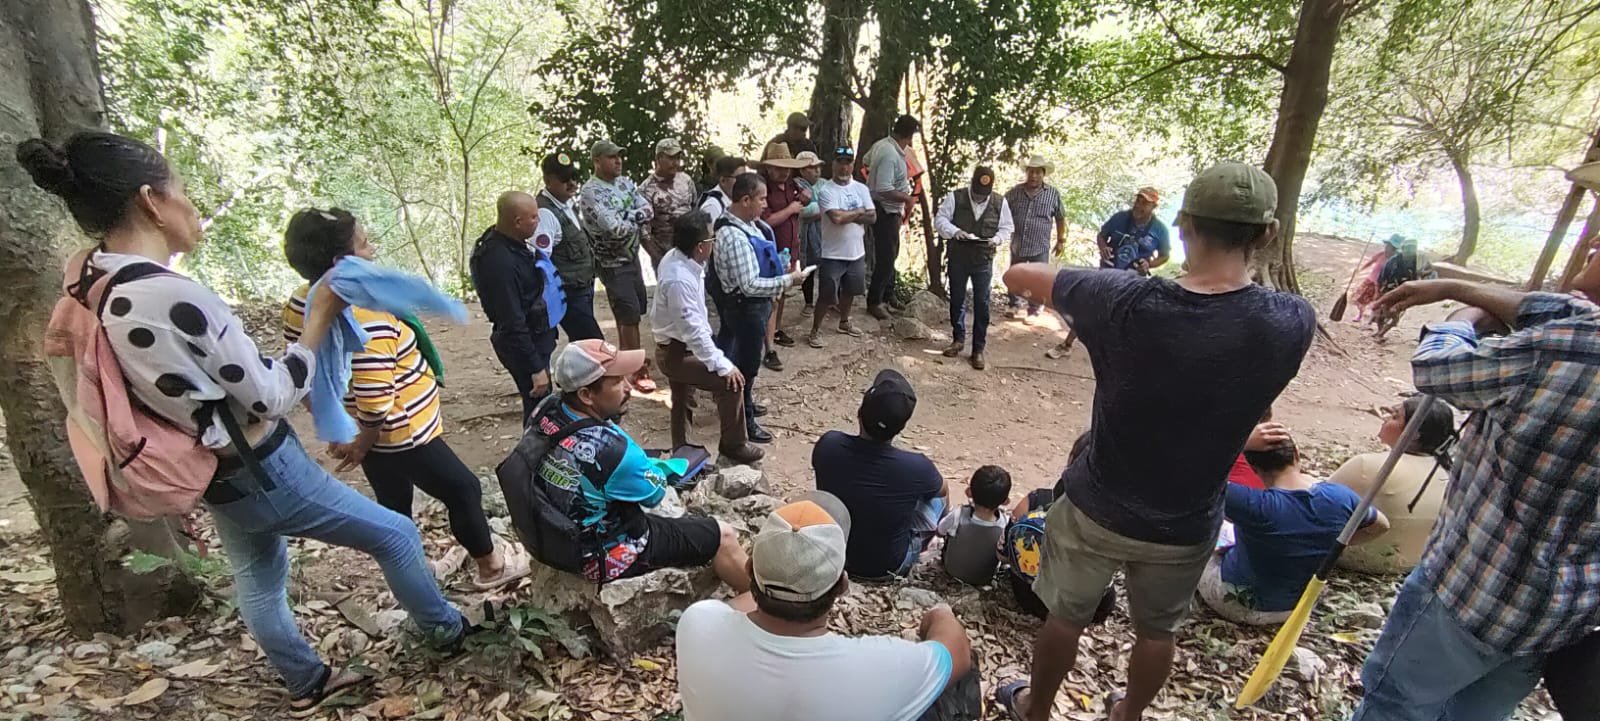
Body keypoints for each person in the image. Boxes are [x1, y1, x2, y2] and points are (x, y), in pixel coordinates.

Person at [18, 131, 469, 716]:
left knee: (258, 573)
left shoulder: (90, 280)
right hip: (262, 466)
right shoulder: (171, 297)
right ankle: (447, 631)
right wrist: (318, 321)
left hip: (204, 463)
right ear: (152, 201)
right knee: (396, 535)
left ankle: (306, 681)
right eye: (182, 191)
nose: (192, 207)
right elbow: (269, 395)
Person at [994, 162, 1316, 721]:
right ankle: (1129, 714)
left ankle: (1035, 707)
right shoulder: (1291, 320)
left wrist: (1086, 285)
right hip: (1187, 520)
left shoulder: (1123, 299)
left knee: (1064, 618)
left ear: (1183, 224)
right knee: (1156, 632)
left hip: (1097, 506)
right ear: (1267, 233)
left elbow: (1018, 274)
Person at [1347, 270, 1600, 721]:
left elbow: (1437, 370)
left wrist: (1462, 318)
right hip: (1561, 613)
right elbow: (1569, 311)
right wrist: (1456, 287)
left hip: (1472, 591)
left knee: (1394, 707)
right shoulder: (1573, 331)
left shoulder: (1568, 347)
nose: (1595, 241)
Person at [282, 208, 527, 591]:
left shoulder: (301, 302)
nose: (373, 251)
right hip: (399, 431)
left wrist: (337, 427)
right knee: (463, 489)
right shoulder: (365, 316)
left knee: (394, 502)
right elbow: (376, 397)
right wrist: (361, 443)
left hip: (363, 429)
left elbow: (303, 369)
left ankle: (414, 574)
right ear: (342, 264)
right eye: (365, 244)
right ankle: (491, 566)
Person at [675, 492, 977, 721]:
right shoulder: (880, 666)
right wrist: (939, 614)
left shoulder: (698, 623)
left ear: (750, 568)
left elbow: (739, 608)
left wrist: (775, 580)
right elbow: (958, 653)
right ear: (842, 585)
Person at [529, 340, 752, 587]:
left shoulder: (546, 409)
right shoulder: (615, 451)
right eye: (617, 382)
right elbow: (654, 495)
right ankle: (760, 602)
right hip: (600, 555)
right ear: (586, 395)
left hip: (553, 535)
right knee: (723, 535)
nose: (628, 388)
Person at [1197, 435, 1389, 626]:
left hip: (1236, 603)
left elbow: (1193, 476)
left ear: (1254, 469)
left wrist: (1242, 442)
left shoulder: (1252, 502)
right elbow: (1381, 525)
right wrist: (1336, 543)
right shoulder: (1341, 497)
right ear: (1297, 456)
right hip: (1296, 608)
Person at [649, 211, 763, 465]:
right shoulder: (678, 279)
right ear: (700, 246)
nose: (715, 243)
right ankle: (734, 445)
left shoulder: (680, 259)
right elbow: (693, 330)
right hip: (676, 350)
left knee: (682, 398)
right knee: (730, 382)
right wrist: (723, 365)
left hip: (678, 345)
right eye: (712, 239)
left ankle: (682, 450)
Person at [813, 369, 948, 579]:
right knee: (938, 497)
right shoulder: (917, 467)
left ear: (859, 414)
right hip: (887, 567)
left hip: (833, 555)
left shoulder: (828, 444)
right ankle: (939, 542)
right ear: (900, 428)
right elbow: (942, 490)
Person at [710, 173, 809, 444]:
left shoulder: (748, 224)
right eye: (762, 199)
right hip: (745, 308)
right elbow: (749, 285)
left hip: (751, 307)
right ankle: (744, 422)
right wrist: (789, 280)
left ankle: (746, 406)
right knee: (745, 366)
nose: (766, 204)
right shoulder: (734, 235)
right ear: (745, 200)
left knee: (744, 361)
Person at [1328, 396, 1457, 575]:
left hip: (1350, 556)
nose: (1385, 418)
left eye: (1395, 416)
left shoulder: (1369, 465)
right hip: (1410, 564)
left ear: (1414, 433)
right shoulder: (1448, 472)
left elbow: (1316, 500)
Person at [471, 191, 565, 424]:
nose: (538, 221)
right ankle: (532, 448)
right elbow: (511, 320)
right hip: (523, 345)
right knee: (539, 413)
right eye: (533, 217)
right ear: (517, 221)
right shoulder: (499, 262)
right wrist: (535, 368)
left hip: (537, 336)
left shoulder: (512, 242)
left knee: (543, 408)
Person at [1004, 433, 1116, 623]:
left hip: (1032, 600)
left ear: (1071, 460)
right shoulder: (1114, 516)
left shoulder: (1035, 501)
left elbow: (1004, 554)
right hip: (1092, 611)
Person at [578, 139, 657, 393]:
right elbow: (614, 229)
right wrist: (633, 217)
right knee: (628, 314)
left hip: (631, 257)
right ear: (597, 161)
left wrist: (627, 217)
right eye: (612, 157)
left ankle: (628, 363)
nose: (618, 161)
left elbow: (648, 209)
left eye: (619, 156)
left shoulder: (625, 183)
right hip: (611, 262)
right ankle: (635, 370)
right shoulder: (591, 192)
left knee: (634, 312)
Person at [933, 165, 1014, 370]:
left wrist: (997, 239)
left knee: (982, 303)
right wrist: (955, 231)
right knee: (957, 299)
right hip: (958, 257)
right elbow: (940, 219)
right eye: (977, 193)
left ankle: (978, 349)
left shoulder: (999, 202)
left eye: (983, 195)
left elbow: (1007, 227)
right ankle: (958, 339)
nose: (980, 197)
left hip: (983, 260)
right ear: (972, 185)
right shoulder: (956, 197)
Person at [533, 152, 605, 342]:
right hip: (568, 293)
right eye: (565, 179)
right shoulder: (545, 213)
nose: (572, 183)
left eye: (574, 177)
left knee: (585, 346)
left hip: (582, 287)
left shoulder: (566, 204)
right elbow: (540, 261)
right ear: (548, 180)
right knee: (594, 345)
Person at [808, 148, 875, 348]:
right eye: (840, 162)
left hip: (856, 251)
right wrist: (859, 211)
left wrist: (848, 215)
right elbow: (836, 218)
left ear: (853, 165)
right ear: (833, 164)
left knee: (850, 290)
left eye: (848, 162)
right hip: (832, 253)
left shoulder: (861, 189)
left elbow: (872, 216)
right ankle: (815, 330)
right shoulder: (827, 191)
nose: (844, 167)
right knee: (827, 294)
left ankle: (844, 321)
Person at [757, 142, 814, 371]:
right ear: (769, 168)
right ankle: (768, 347)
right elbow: (766, 221)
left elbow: (805, 199)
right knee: (771, 297)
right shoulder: (763, 189)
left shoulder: (792, 185)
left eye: (787, 167)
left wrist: (804, 199)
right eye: (779, 168)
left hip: (789, 250)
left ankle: (776, 330)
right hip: (770, 252)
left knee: (782, 294)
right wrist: (791, 209)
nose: (784, 172)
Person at [863, 114, 920, 319]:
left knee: (892, 253)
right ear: (910, 136)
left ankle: (888, 295)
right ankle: (875, 301)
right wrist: (906, 198)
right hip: (885, 209)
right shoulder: (889, 153)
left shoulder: (882, 145)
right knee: (886, 257)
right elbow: (884, 188)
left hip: (890, 209)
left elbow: (866, 161)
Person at [1003, 156, 1066, 320]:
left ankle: (1034, 310)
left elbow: (1060, 218)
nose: (1034, 176)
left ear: (1043, 174)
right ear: (1026, 173)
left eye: (1038, 172)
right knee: (1015, 274)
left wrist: (1061, 240)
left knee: (1038, 279)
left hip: (1040, 245)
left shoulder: (1052, 194)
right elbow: (1002, 211)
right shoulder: (1015, 192)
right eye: (1031, 172)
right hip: (1018, 243)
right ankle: (1013, 304)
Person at [937, 465, 1011, 586]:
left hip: (952, 570)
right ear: (1006, 501)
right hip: (983, 578)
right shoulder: (1005, 524)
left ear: (968, 492)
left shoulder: (958, 515)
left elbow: (940, 531)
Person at [639, 137, 697, 272]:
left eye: (678, 158)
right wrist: (660, 259)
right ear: (659, 158)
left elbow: (695, 210)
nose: (675, 163)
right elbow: (643, 233)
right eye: (671, 158)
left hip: (691, 252)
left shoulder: (686, 180)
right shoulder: (646, 190)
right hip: (666, 254)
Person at [1097, 187, 1171, 273]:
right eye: (1137, 201)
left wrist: (1149, 264)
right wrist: (1104, 248)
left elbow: (1164, 256)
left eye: (1144, 203)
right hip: (1108, 271)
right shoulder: (1119, 217)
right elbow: (1101, 236)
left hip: (1134, 276)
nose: (1138, 206)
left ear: (1154, 207)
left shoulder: (1161, 230)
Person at [795, 151, 825, 318]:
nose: (817, 171)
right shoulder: (796, 185)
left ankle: (829, 300)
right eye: (812, 168)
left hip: (824, 233)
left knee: (830, 267)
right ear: (802, 170)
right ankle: (808, 302)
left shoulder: (824, 184)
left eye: (818, 167)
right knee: (809, 267)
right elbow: (802, 211)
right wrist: (823, 209)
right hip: (805, 235)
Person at [698, 155, 747, 224]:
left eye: (745, 177)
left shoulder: (735, 200)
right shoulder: (712, 207)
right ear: (723, 181)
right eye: (739, 178)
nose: (744, 182)